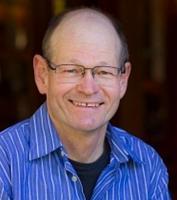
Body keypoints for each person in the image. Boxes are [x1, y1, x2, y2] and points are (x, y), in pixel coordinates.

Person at [0, 7, 170, 200]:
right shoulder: (4, 163)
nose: (88, 88)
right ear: (42, 75)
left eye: (104, 71)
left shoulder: (147, 166)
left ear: (123, 80)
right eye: (72, 70)